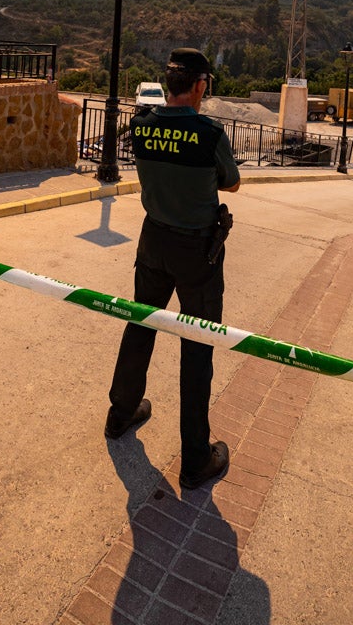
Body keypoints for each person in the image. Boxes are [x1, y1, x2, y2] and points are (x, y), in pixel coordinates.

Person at [105, 47, 241, 490]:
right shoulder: (208, 133)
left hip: (153, 240)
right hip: (197, 251)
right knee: (198, 346)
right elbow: (232, 181)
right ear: (200, 86)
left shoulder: (141, 126)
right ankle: (195, 459)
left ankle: (121, 413)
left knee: (140, 324)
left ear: (169, 84)